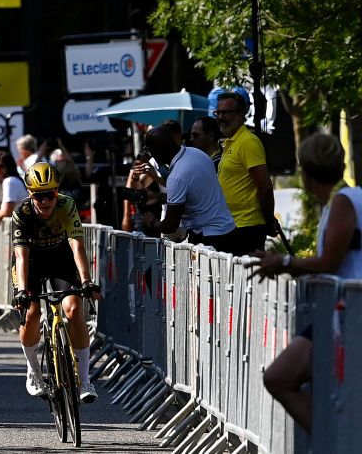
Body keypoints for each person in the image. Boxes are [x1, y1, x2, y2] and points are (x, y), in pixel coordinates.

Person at [255, 133, 360, 435]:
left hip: (348, 313)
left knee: (280, 377)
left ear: (305, 171)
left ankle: (335, 440)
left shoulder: (343, 201)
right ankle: (334, 439)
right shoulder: (338, 202)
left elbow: (329, 262)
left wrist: (284, 262)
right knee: (282, 378)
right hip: (340, 311)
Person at [13, 162, 99, 403]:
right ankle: (33, 370)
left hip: (61, 257)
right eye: (39, 196)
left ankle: (84, 380)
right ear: (30, 195)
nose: (45, 201)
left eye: (50, 194)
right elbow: (21, 255)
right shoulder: (22, 213)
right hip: (31, 261)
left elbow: (77, 245)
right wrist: (22, 290)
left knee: (73, 309)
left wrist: (86, 280)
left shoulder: (66, 204)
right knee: (31, 313)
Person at [141, 127, 237, 251]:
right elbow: (198, 194)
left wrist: (152, 222)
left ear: (157, 152)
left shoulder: (176, 177)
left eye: (149, 150)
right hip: (228, 229)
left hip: (209, 239)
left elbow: (170, 226)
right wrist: (159, 197)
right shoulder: (197, 153)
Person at [215, 92, 277, 254]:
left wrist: (269, 219)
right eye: (218, 113)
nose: (221, 117)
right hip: (231, 226)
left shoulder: (248, 142)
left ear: (241, 114)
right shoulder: (231, 142)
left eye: (226, 113)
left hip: (247, 227)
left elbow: (265, 187)